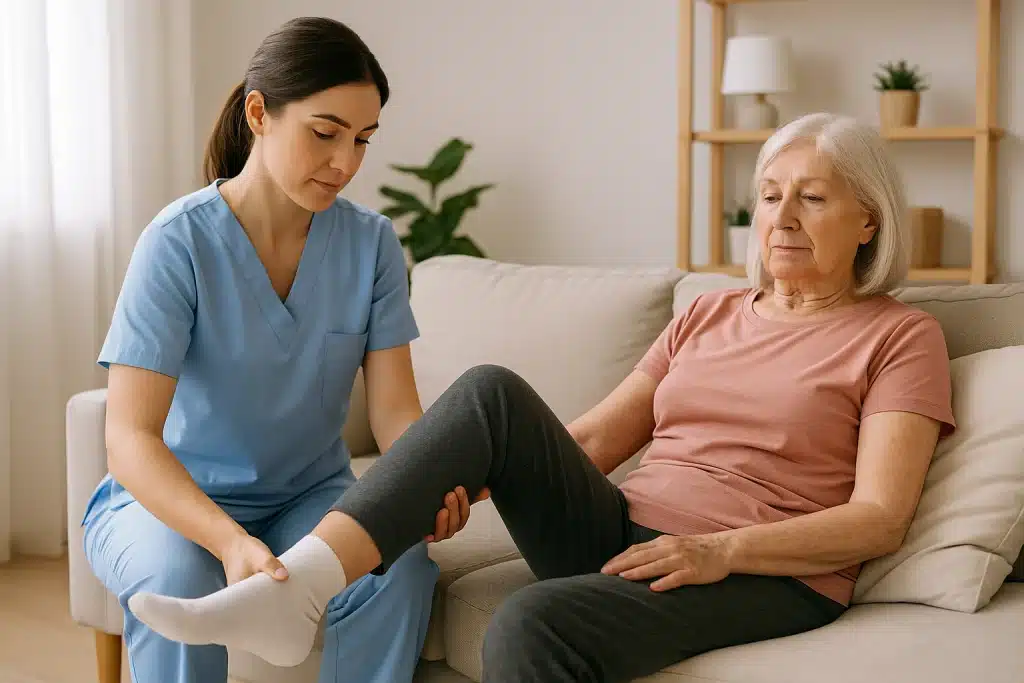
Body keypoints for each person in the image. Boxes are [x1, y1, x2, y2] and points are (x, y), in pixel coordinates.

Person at [125, 112, 957, 683]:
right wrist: (455, 471)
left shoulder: (898, 336)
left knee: (528, 621)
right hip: (625, 530)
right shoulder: (709, 313)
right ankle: (301, 586)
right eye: (771, 194)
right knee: (490, 393)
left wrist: (722, 550)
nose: (783, 216)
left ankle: (293, 590)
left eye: (813, 196)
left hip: (763, 569)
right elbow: (591, 440)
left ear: (869, 220)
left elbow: (880, 517)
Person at [81, 16, 477, 683]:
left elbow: (394, 413)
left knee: (399, 567)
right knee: (181, 577)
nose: (346, 163)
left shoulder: (371, 244)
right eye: (325, 133)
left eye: (362, 139)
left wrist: (426, 481)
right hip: (170, 504)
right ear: (259, 114)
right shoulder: (177, 243)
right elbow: (129, 438)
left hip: (309, 499)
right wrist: (229, 541)